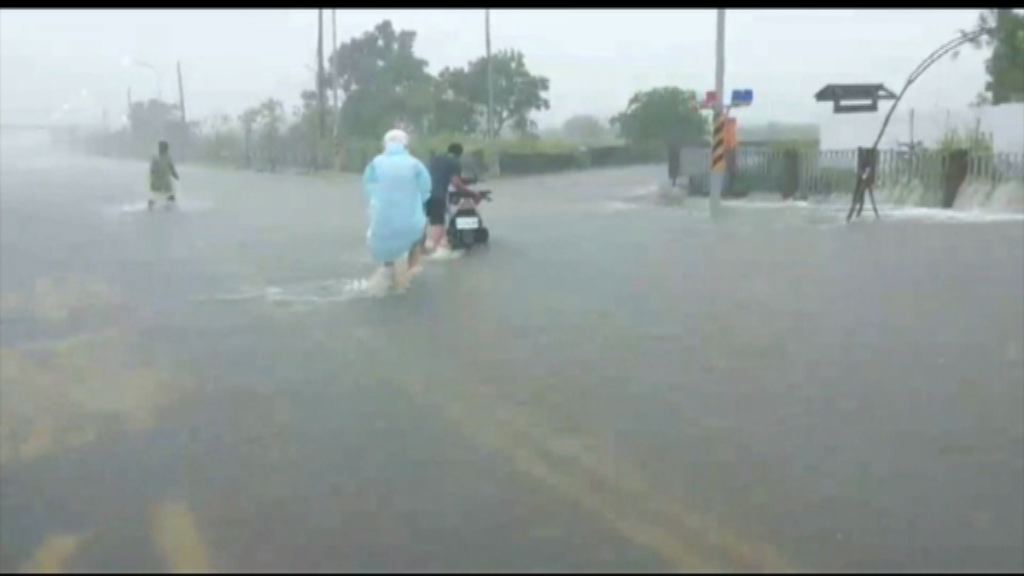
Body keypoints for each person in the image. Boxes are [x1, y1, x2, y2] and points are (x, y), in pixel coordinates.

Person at [362, 129, 432, 293]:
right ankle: (408, 277)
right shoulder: (415, 164)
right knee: (415, 242)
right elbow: (426, 189)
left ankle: (388, 273)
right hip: (410, 221)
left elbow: (368, 187)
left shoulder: (376, 163)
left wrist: (378, 203)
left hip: (383, 221)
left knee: (387, 253)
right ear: (405, 144)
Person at [426, 142, 478, 256]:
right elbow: (456, 183)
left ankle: (425, 249)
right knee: (438, 223)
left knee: (430, 222)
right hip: (438, 195)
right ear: (459, 153)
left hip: (423, 194)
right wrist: (474, 194)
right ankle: (435, 251)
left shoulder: (435, 159)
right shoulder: (454, 162)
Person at [149, 140, 180, 210]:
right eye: (162, 147)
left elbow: (171, 168)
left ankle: (169, 207)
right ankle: (152, 206)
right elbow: (152, 170)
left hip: (164, 180)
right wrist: (175, 175)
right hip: (159, 180)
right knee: (157, 195)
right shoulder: (156, 157)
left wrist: (175, 175)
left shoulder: (167, 157)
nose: (164, 149)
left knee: (169, 194)